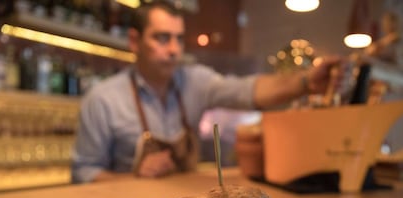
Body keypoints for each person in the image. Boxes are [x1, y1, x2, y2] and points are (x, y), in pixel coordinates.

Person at [71, 0, 343, 183]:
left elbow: (250, 91)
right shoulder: (103, 99)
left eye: (179, 38)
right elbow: (83, 170)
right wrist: (133, 178)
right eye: (162, 38)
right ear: (134, 40)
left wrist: (306, 82)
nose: (175, 49)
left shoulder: (195, 82)